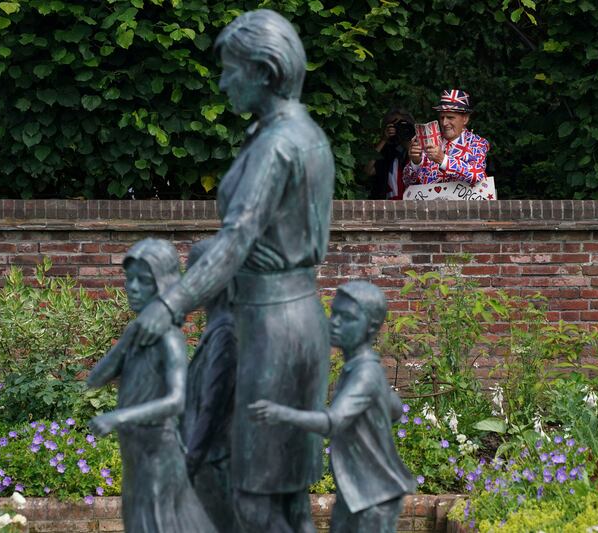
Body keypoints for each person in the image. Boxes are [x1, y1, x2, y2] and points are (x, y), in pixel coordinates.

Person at [129, 9, 335, 533]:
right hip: (298, 319)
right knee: (287, 500)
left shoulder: (276, 145)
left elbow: (237, 241)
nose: (222, 82)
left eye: (229, 70)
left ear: (264, 71)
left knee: (253, 499)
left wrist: (170, 303)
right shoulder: (305, 134)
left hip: (269, 328)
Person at [249, 281, 415, 533]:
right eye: (334, 313)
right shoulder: (363, 369)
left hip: (373, 497)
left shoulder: (365, 373)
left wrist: (279, 413)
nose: (335, 321)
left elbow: (332, 422)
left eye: (346, 317)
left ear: (370, 328)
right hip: (359, 492)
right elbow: (396, 409)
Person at [87, 239, 215, 533]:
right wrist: (128, 338)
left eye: (143, 281)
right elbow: (95, 379)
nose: (132, 287)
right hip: (136, 451)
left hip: (159, 453)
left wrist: (117, 417)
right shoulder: (138, 336)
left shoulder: (169, 339)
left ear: (162, 284)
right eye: (129, 279)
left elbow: (176, 401)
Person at [180, 238, 237, 533]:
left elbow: (212, 407)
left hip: (214, 464)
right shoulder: (216, 330)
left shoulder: (225, 334)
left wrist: (190, 460)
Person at [403, 89, 490, 186]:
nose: (444, 123)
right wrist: (416, 162)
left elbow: (477, 175)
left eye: (450, 117)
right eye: (441, 117)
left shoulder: (477, 143)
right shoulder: (429, 140)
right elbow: (407, 181)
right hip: (429, 201)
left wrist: (443, 160)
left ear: (465, 119)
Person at [365, 108, 416, 200]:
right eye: (397, 126)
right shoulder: (386, 151)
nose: (401, 128)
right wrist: (384, 140)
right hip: (388, 207)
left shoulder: (421, 149)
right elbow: (368, 171)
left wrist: (409, 140)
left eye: (404, 124)